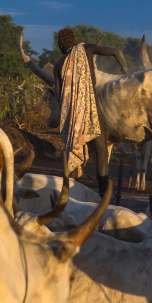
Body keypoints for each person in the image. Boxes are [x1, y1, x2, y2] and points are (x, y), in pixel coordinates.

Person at [53, 27, 128, 197]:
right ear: (74, 40)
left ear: (60, 45)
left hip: (72, 117)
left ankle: (71, 197)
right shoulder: (87, 49)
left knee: (73, 152)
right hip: (91, 109)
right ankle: (103, 194)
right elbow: (117, 52)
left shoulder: (58, 66)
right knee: (101, 151)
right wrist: (126, 73)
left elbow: (59, 97)